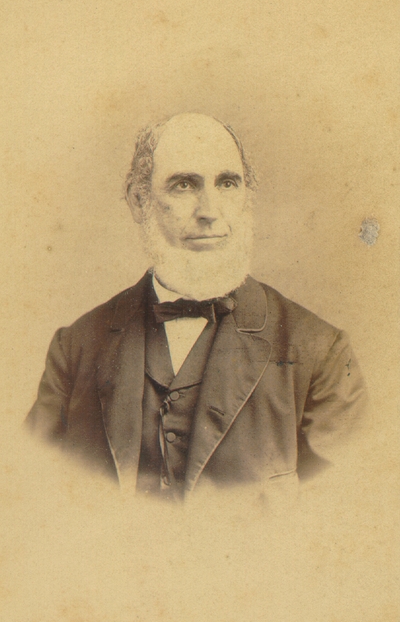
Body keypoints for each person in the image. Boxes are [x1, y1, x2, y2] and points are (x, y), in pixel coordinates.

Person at [26, 112, 367, 501]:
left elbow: (344, 516)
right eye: (184, 185)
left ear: (247, 197)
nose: (209, 211)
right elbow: (31, 497)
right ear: (139, 202)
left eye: (227, 183)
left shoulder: (320, 351)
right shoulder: (76, 348)